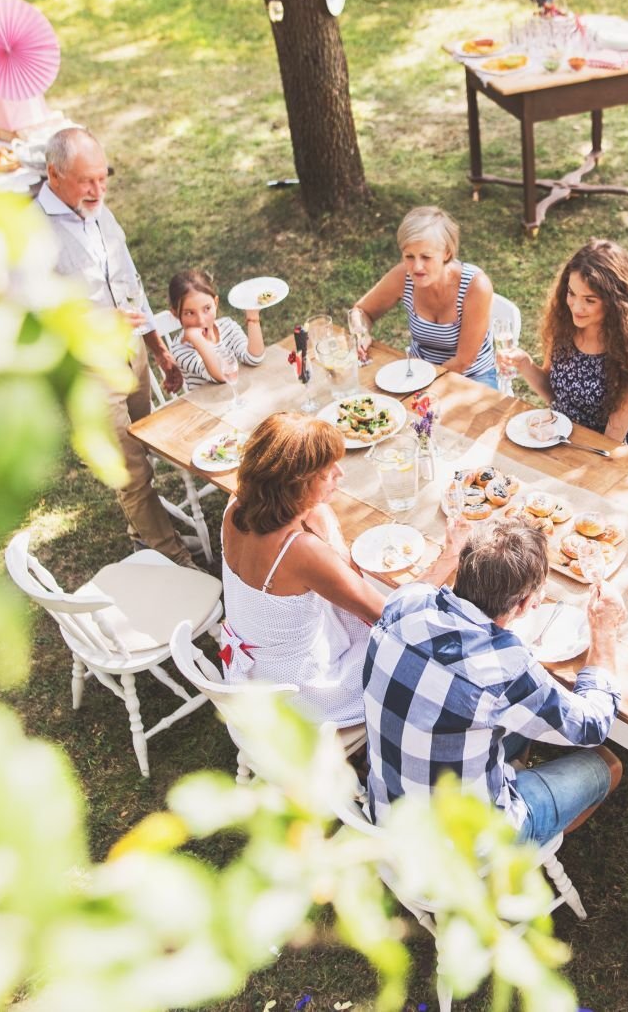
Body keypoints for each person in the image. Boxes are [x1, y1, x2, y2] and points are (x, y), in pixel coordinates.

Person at [363, 518, 625, 843]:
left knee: (510, 726)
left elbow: (423, 590)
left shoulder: (404, 603)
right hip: (456, 854)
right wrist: (604, 629)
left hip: (388, 819)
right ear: (527, 603)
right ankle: (522, 847)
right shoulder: (506, 667)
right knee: (606, 764)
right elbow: (592, 726)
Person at [219, 412, 468, 727]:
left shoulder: (238, 503)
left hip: (257, 669)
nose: (340, 473)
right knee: (422, 648)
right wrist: (449, 556)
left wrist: (316, 511)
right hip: (301, 693)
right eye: (327, 472)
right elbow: (394, 616)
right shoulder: (299, 551)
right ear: (297, 484)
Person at [35, 126, 191, 565]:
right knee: (132, 473)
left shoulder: (100, 210)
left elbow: (130, 284)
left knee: (148, 446)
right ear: (54, 173)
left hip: (132, 354)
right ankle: (175, 559)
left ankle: (144, 532)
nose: (98, 189)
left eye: (103, 177)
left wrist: (157, 348)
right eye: (87, 180)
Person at [495, 239, 628, 454]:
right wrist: (524, 364)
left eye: (589, 300)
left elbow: (612, 438)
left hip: (610, 451)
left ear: (616, 303)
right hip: (562, 437)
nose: (576, 307)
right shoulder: (564, 327)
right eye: (571, 293)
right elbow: (555, 395)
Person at [351, 206, 500, 389]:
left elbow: (464, 361)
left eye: (426, 257)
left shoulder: (476, 286)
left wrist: (421, 385)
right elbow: (361, 310)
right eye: (409, 256)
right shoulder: (403, 276)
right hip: (416, 372)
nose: (416, 267)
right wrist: (361, 332)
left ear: (446, 253)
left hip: (472, 377)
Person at [167, 269, 266, 392]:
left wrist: (253, 317)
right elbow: (222, 376)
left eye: (206, 308)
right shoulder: (181, 349)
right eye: (190, 313)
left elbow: (254, 358)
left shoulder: (227, 327)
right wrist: (197, 338)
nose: (201, 321)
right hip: (207, 408)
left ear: (216, 303)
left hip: (238, 398)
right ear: (175, 313)